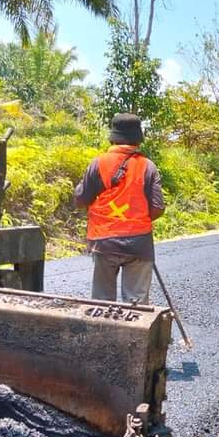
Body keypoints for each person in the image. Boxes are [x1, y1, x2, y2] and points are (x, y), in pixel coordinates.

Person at [74, 113, 164, 304]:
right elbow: (157, 207)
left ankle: (102, 332)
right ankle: (137, 334)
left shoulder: (98, 163)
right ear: (138, 139)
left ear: (113, 137)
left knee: (102, 302)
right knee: (137, 304)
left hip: (104, 242)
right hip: (139, 243)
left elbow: (81, 200)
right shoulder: (148, 167)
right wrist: (136, 219)